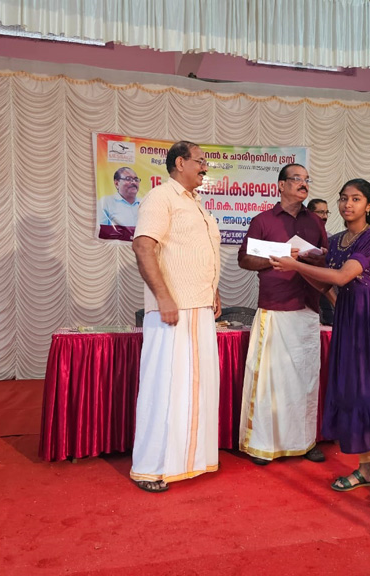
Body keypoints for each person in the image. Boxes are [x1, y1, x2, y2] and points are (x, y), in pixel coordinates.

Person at [270, 178, 370, 511]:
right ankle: (365, 470)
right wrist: (300, 266)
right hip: (351, 318)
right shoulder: (336, 241)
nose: (347, 204)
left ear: (368, 205)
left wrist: (295, 264)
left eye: (355, 199)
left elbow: (341, 277)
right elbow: (326, 284)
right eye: (343, 198)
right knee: (356, 390)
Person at [129, 141, 222, 493]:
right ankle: (150, 468)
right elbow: (143, 246)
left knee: (195, 388)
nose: (205, 167)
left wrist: (213, 290)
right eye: (200, 161)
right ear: (180, 163)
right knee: (165, 386)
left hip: (199, 307)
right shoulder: (161, 197)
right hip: (173, 310)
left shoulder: (196, 203)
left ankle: (188, 460)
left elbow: (196, 254)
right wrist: (163, 297)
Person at [237, 163, 329, 465]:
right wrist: (275, 258)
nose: (303, 184)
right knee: (270, 381)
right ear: (281, 185)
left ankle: (304, 442)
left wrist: (316, 258)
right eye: (297, 179)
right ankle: (264, 444)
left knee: (305, 380)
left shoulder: (315, 221)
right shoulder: (263, 220)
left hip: (308, 308)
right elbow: (245, 260)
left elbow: (326, 260)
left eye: (307, 179)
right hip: (275, 309)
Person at [307, 198, 335, 326]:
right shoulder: (301, 236)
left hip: (325, 293)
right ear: (310, 214)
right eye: (321, 212)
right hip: (303, 294)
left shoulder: (331, 238)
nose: (324, 217)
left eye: (326, 212)